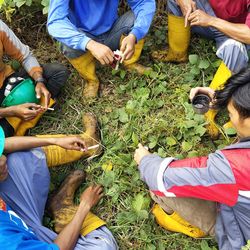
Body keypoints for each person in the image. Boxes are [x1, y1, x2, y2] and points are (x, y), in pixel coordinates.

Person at [134, 67, 250, 250]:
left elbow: (163, 178)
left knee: (159, 188)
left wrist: (145, 160)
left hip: (240, 234)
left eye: (230, 113)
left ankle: (187, 225)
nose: (229, 117)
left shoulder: (234, 167)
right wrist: (224, 98)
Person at [0, 113, 118, 249]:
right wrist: (84, 206)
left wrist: (54, 141)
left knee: (19, 158)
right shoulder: (5, 242)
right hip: (18, 237)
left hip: (13, 221)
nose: (2, 160)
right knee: (103, 246)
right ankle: (64, 210)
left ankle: (90, 143)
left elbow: (5, 145)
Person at [152, 0, 250, 138]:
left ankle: (236, 113)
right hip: (211, 19)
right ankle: (177, 54)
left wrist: (211, 21)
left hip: (236, 33)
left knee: (233, 50)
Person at [47, 0, 156, 98]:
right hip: (85, 38)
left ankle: (129, 62)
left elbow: (144, 2)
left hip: (113, 31)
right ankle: (91, 80)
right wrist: (89, 44)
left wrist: (134, 35)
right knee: (67, 42)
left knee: (139, 18)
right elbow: (56, 22)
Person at [0, 19, 69, 137]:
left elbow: (25, 56)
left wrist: (39, 80)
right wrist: (10, 111)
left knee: (58, 72)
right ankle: (17, 119)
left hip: (6, 77)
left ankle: (27, 114)